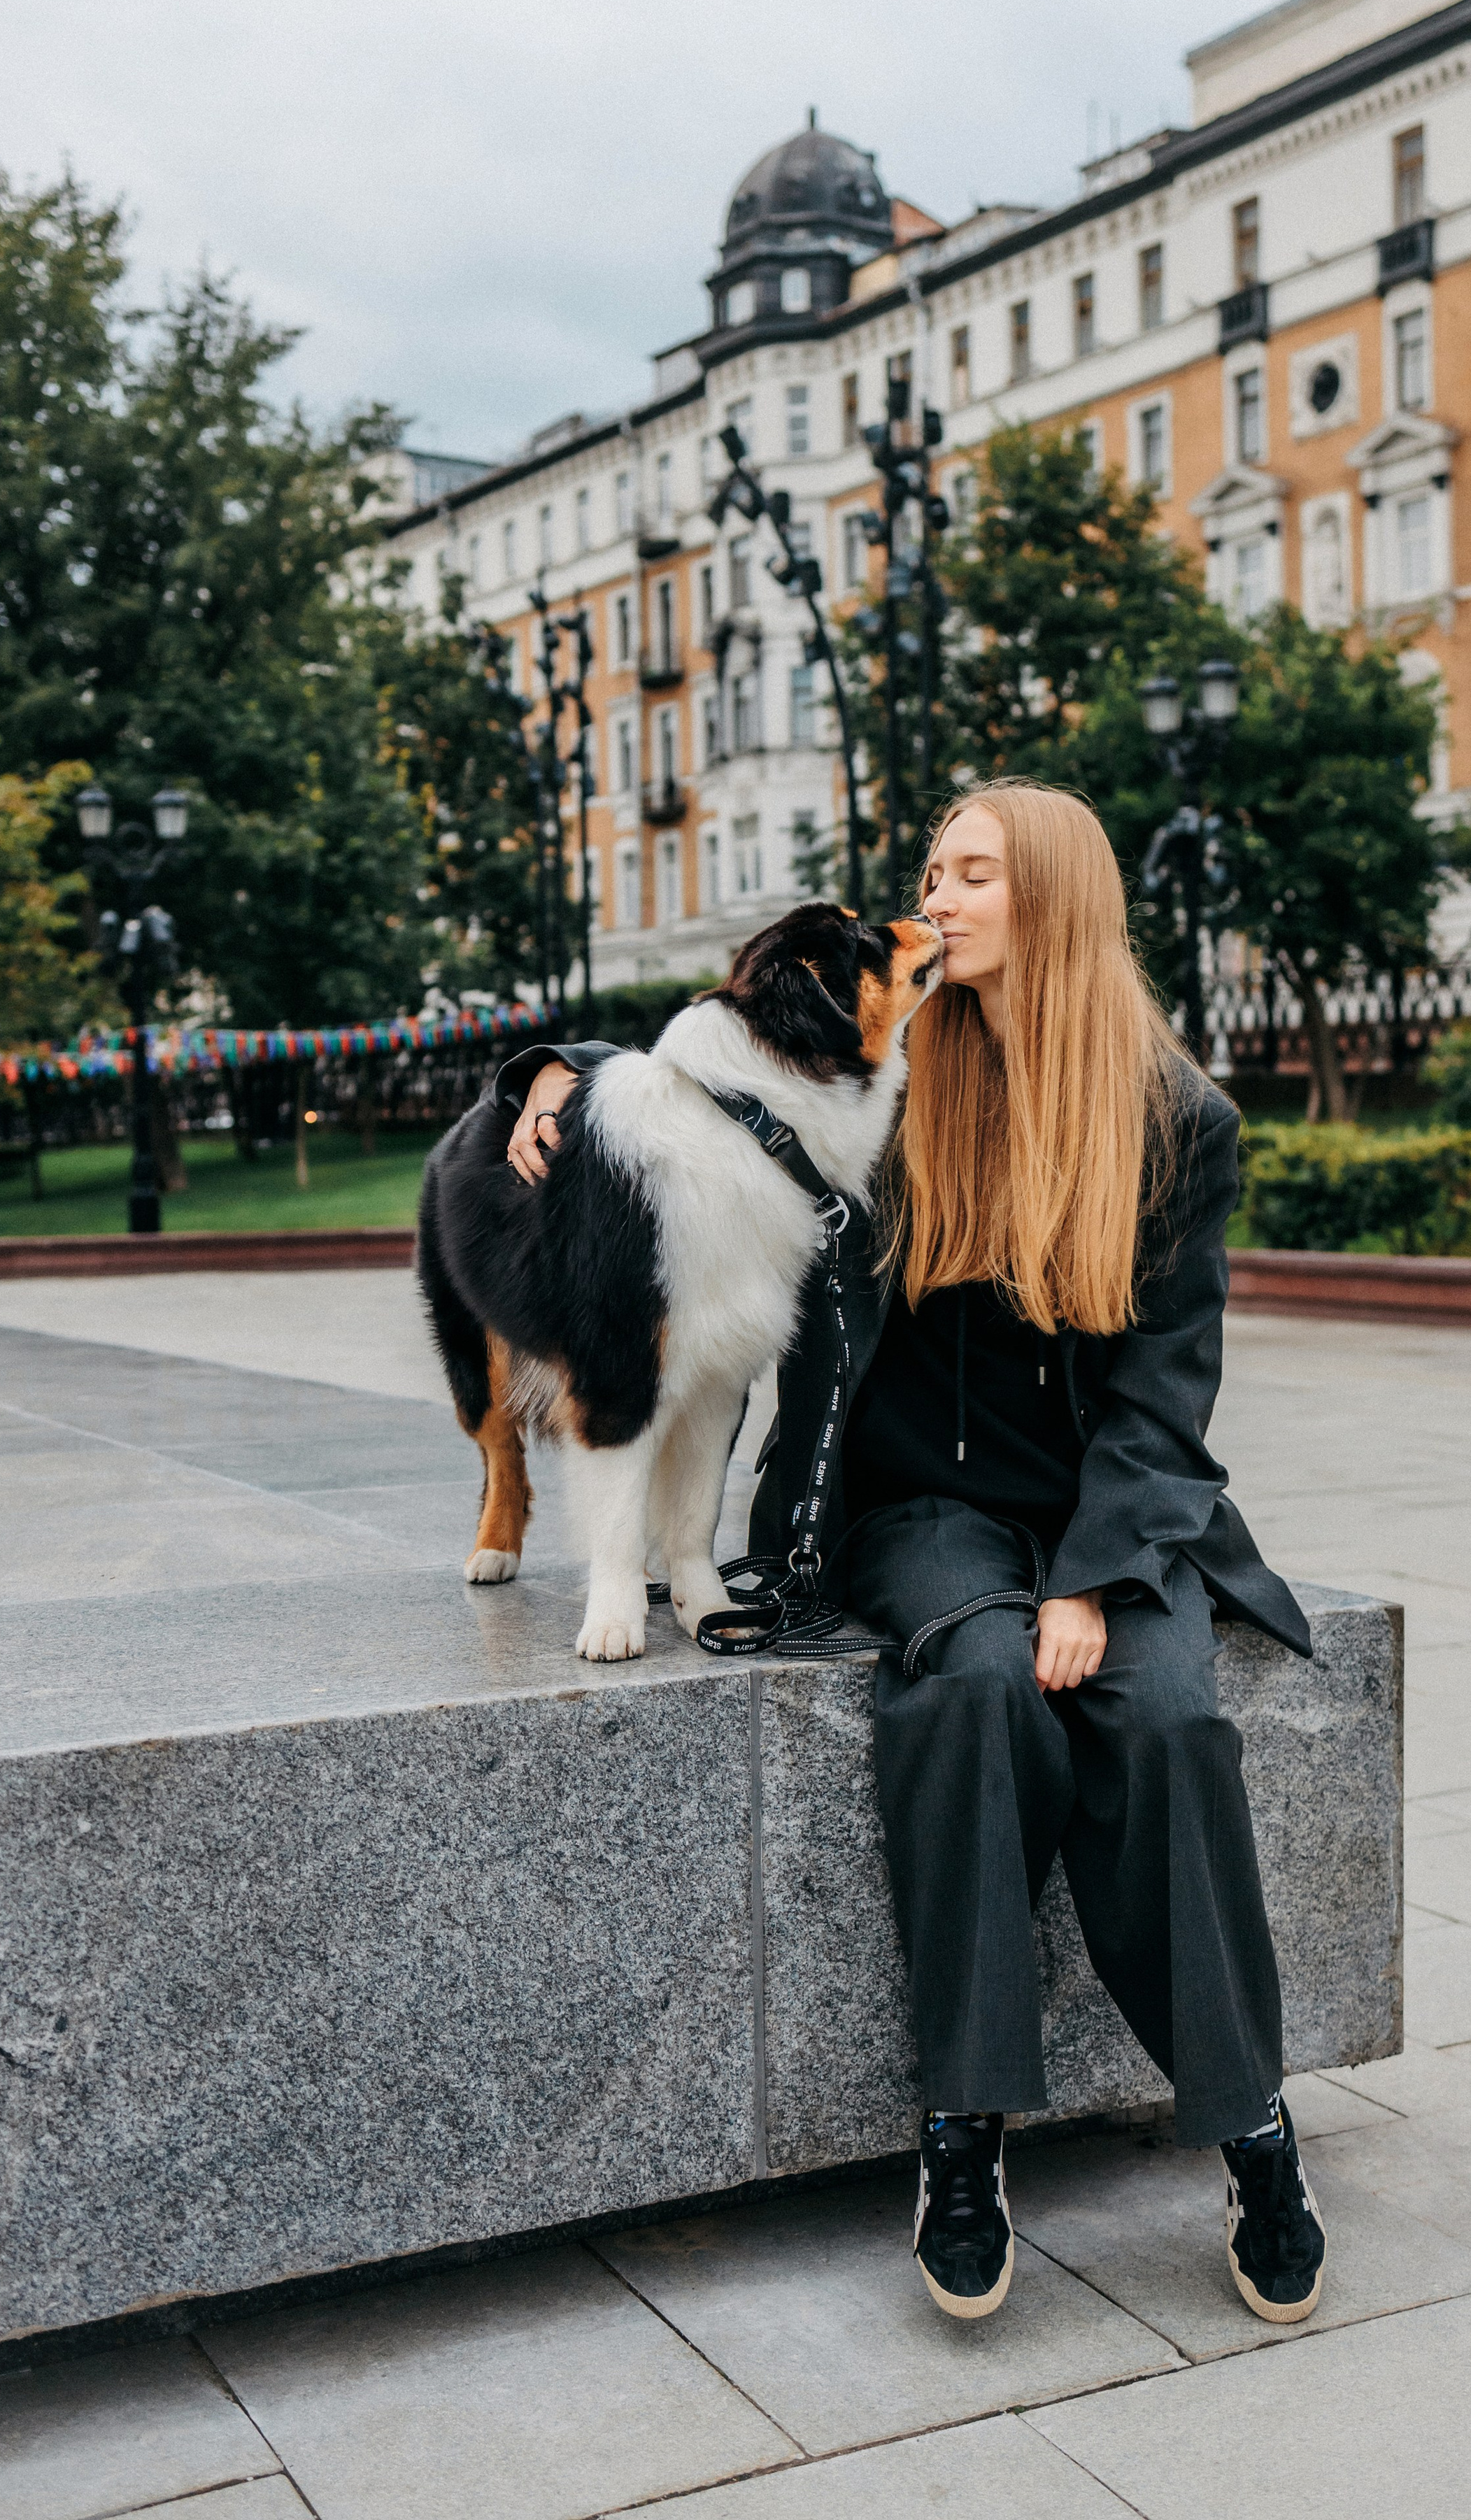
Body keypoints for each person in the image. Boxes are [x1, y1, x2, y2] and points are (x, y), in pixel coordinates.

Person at [496, 778, 1326, 2330]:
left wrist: (1088, 1576)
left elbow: (1164, 1397)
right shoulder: (891, 1075)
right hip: (912, 1512)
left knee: (1165, 1718)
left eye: (968, 877)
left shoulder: (1171, 1119)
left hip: (1108, 1515)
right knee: (972, 1686)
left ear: (1053, 903)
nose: (932, 901)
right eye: (930, 873)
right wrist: (548, 1071)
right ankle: (963, 2129)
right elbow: (712, 1062)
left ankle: (1248, 2121)